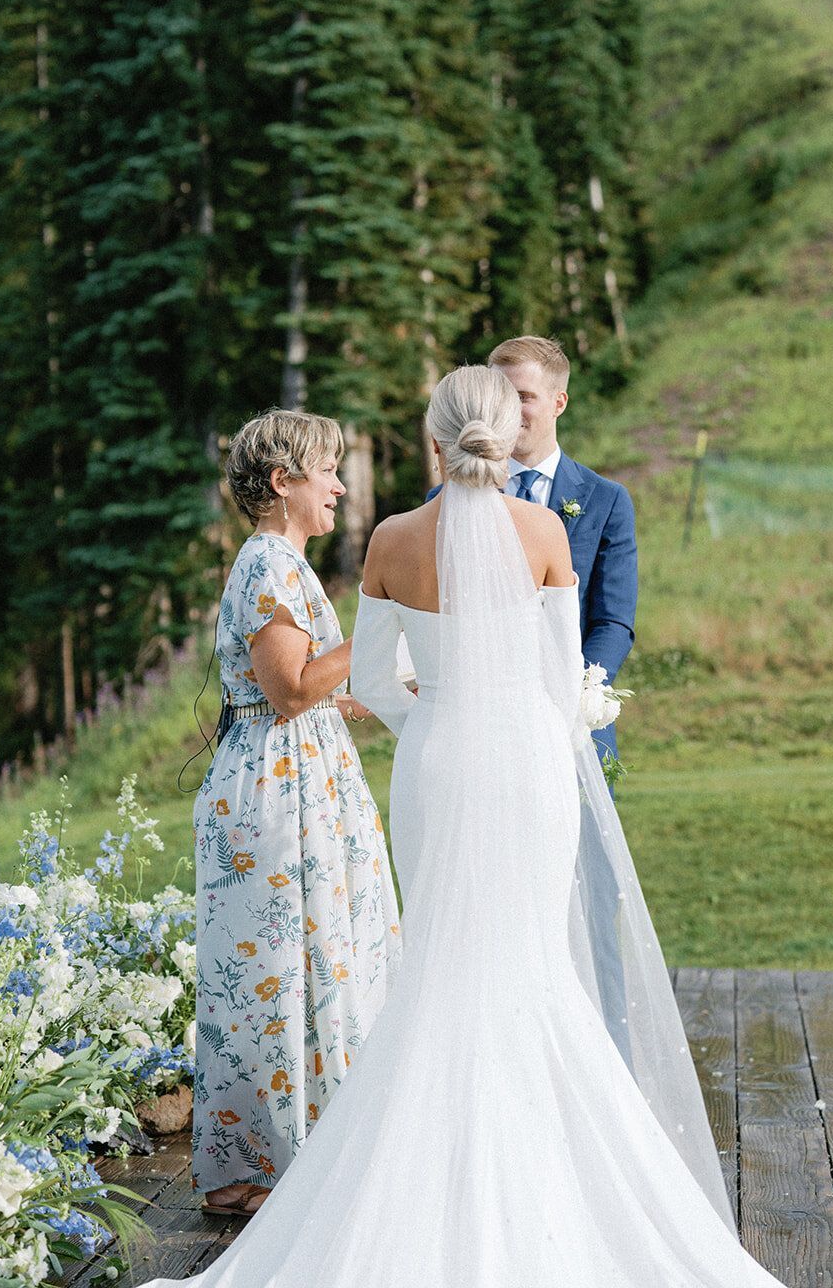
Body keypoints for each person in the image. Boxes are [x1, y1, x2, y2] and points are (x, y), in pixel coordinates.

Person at [138, 368, 789, 1288]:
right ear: (504, 435)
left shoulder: (393, 539)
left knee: (439, 969)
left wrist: (434, 722)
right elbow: (563, 686)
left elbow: (368, 681)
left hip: (436, 767)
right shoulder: (545, 532)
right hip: (527, 763)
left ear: (434, 444)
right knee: (531, 965)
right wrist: (515, 724)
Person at [190, 408, 400, 1220]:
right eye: (327, 472)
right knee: (277, 974)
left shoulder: (277, 564)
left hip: (299, 775)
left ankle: (303, 1152)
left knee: (313, 962)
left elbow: (311, 691)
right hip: (275, 796)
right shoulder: (269, 564)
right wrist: (386, 620)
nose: (341, 486)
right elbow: (288, 690)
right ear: (282, 483)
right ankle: (258, 1169)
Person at [429, 334, 637, 782]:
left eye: (524, 397)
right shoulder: (443, 501)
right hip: (474, 725)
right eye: (501, 396)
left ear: (559, 402)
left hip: (571, 724)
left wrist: (573, 699)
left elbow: (613, 621)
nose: (509, 410)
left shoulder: (606, 500)